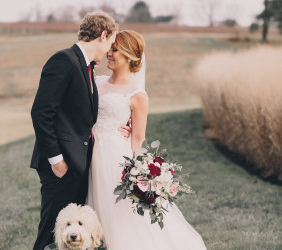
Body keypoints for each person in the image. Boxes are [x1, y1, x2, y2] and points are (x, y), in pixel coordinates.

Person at [87, 30, 207, 250]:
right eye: (110, 49)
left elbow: (138, 140)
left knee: (115, 216)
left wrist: (137, 176)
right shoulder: (96, 82)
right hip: (88, 152)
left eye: (115, 50)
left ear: (130, 56)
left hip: (113, 159)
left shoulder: (137, 95)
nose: (108, 54)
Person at [30, 12, 130, 250]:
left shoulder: (86, 68)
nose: (110, 51)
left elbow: (81, 117)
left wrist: (121, 126)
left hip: (78, 166)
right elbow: (41, 112)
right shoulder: (64, 60)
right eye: (111, 42)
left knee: (70, 240)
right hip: (60, 166)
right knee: (49, 237)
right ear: (103, 35)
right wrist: (56, 160)